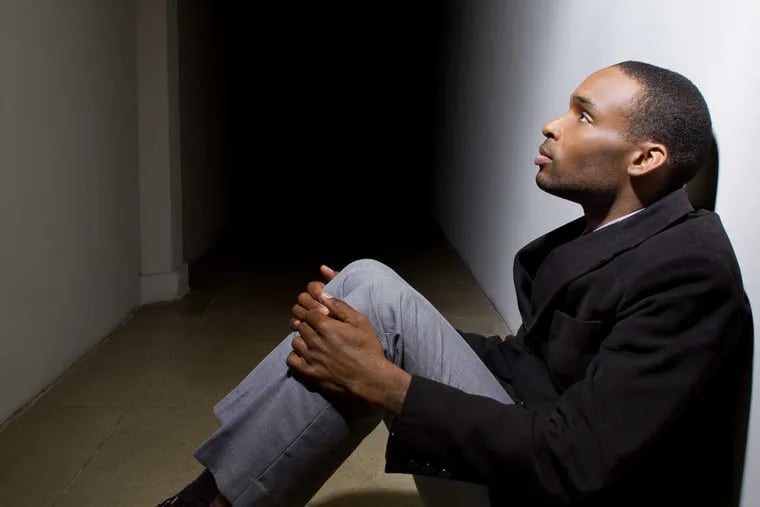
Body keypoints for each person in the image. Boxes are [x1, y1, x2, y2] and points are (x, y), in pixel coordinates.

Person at [158, 61, 753, 507]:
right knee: (364, 286)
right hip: (536, 449)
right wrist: (370, 341)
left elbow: (581, 460)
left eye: (583, 115)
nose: (552, 125)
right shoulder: (620, 237)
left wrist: (384, 381)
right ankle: (212, 494)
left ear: (645, 159)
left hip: (560, 489)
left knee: (370, 318)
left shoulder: (689, 274)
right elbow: (530, 365)